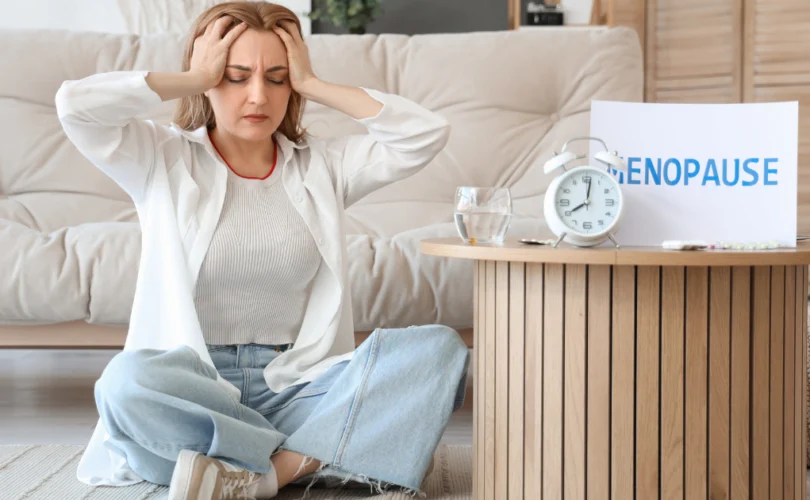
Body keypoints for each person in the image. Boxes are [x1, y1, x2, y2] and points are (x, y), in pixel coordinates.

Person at [55, 2, 469, 499]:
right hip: (197, 391)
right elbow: (76, 107)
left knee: (439, 350)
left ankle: (260, 475)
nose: (258, 96)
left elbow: (424, 134)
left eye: (277, 78)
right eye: (235, 76)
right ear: (208, 77)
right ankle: (319, 451)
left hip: (295, 386)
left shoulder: (324, 167)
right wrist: (193, 77)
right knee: (125, 384)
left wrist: (314, 84)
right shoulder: (159, 158)